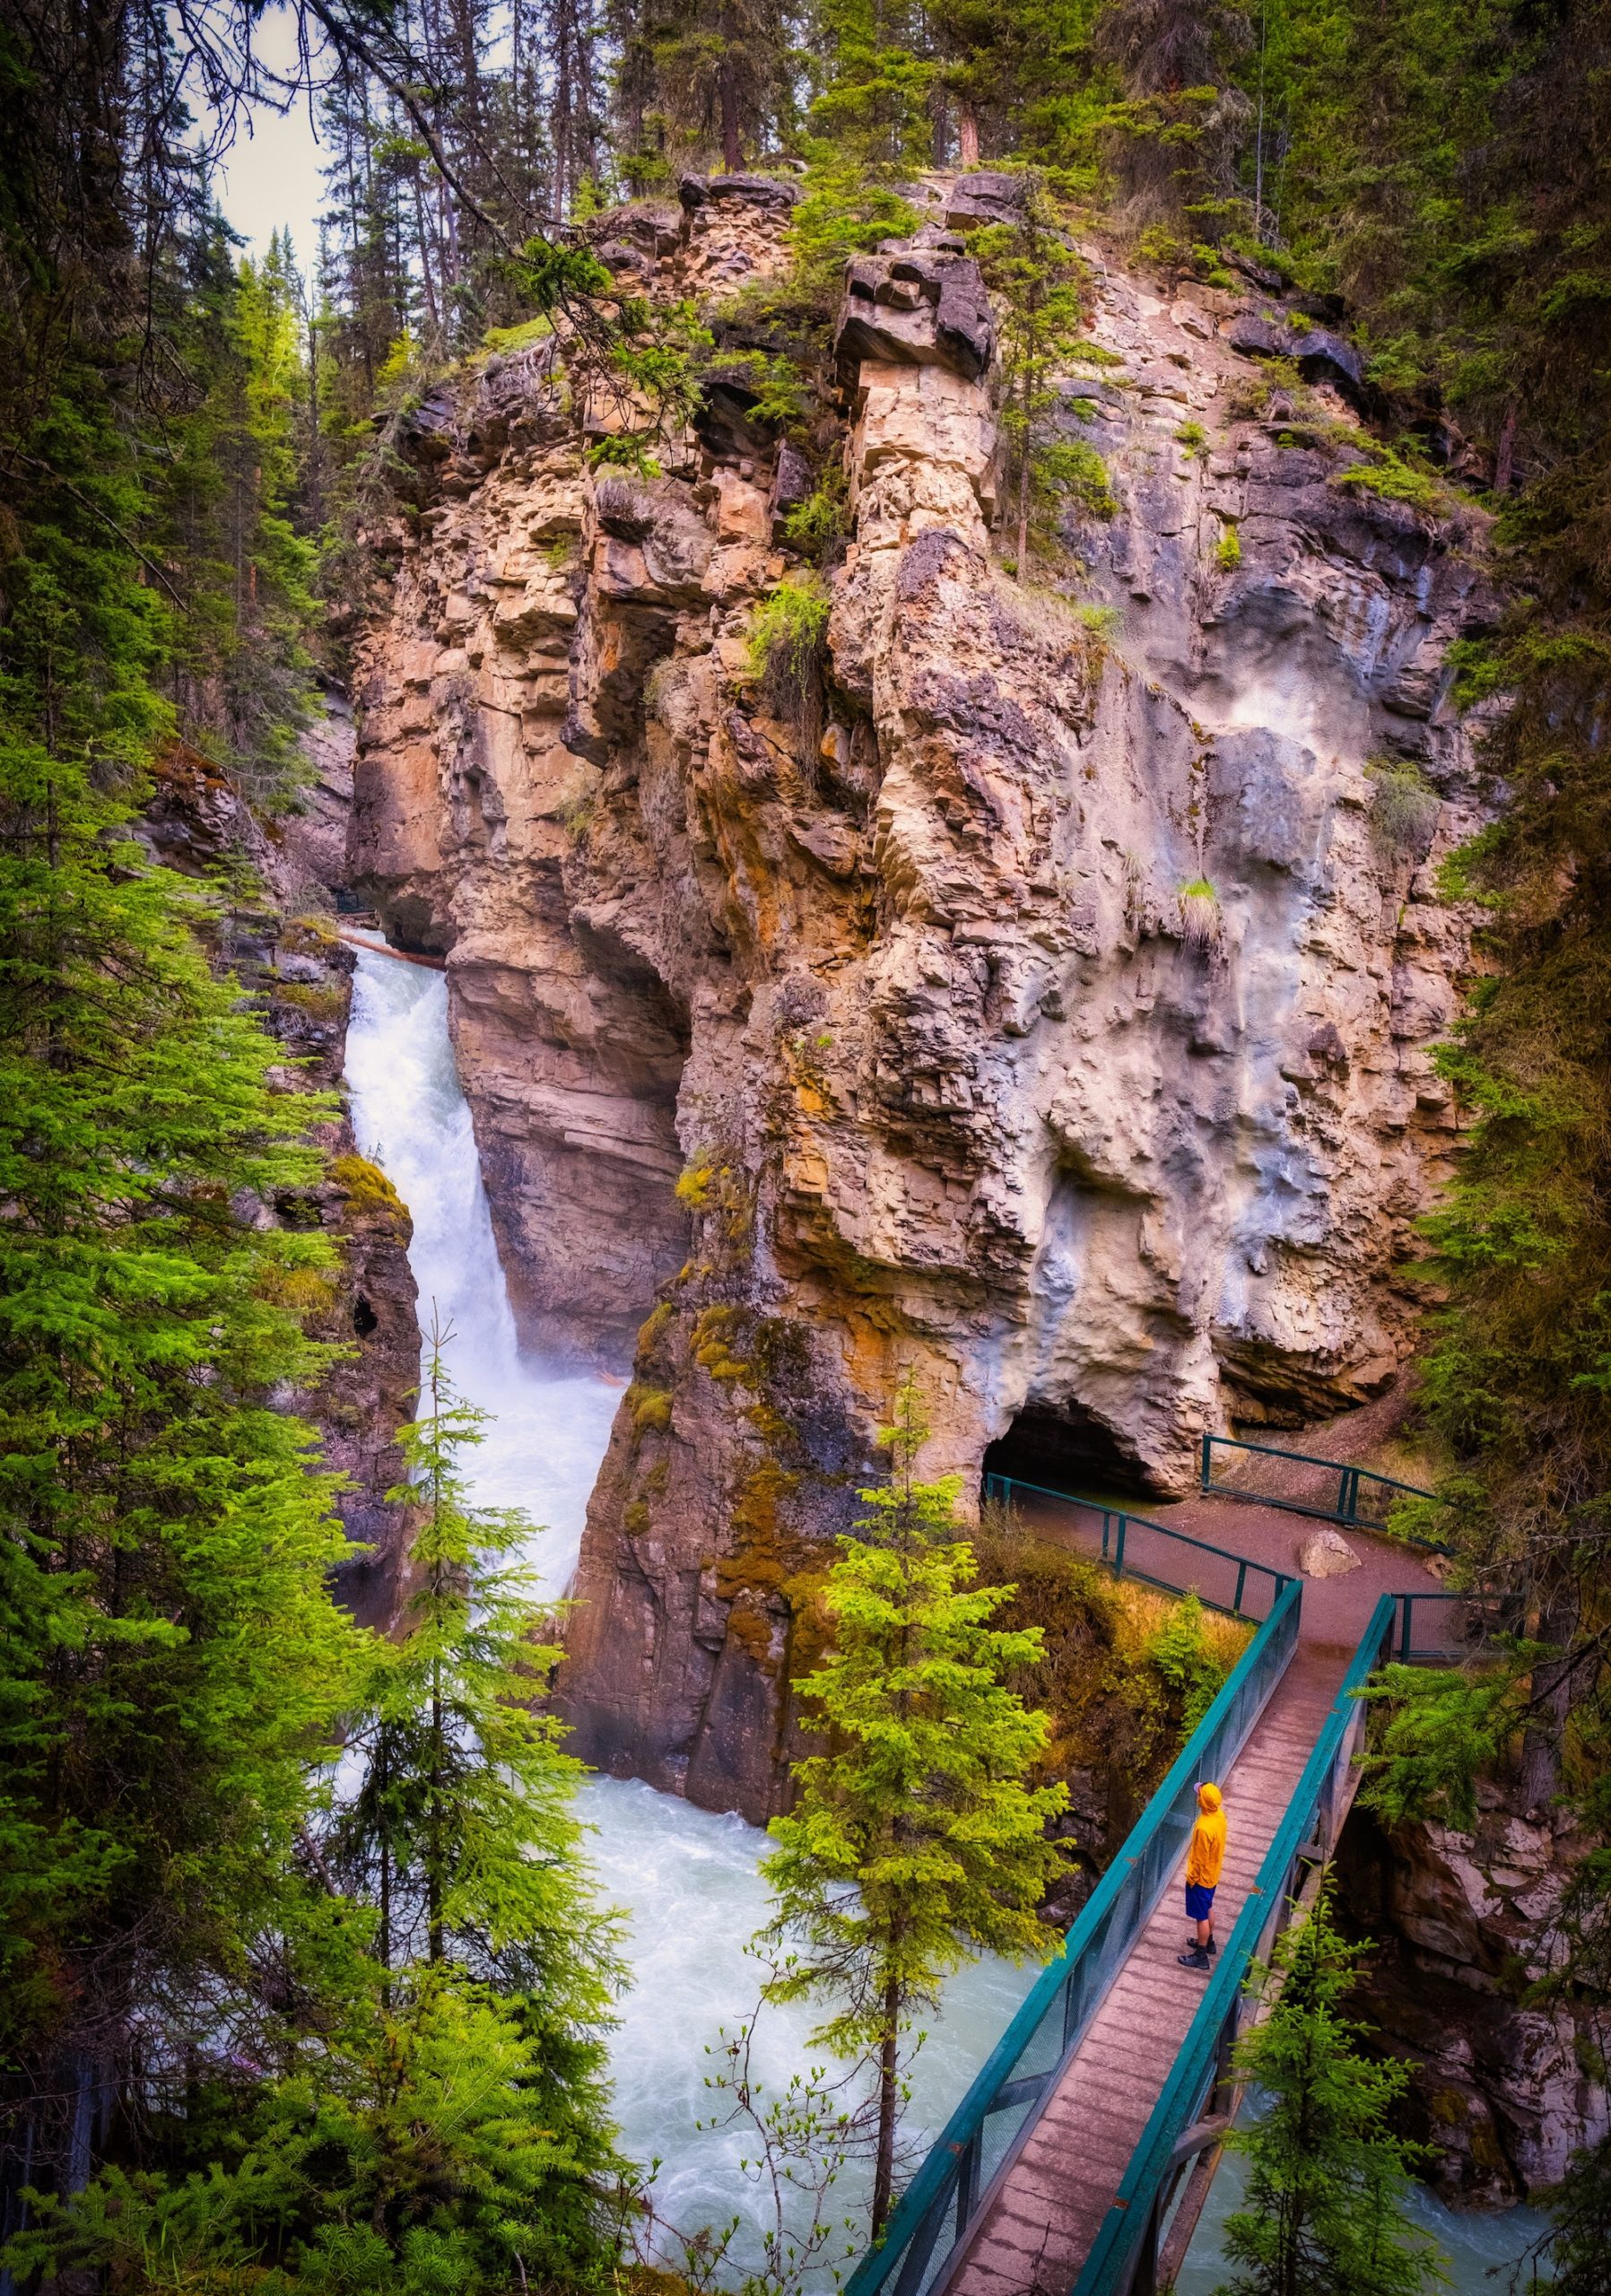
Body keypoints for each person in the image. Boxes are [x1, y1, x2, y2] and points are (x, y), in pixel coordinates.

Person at [1178, 1781, 1226, 1970]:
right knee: (1208, 1907)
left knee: (1201, 1916)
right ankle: (1209, 1941)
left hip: (1201, 1879)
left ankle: (1201, 1954)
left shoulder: (1203, 1828)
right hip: (1213, 1874)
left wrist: (1192, 1879)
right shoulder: (1219, 1817)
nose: (1197, 1796)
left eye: (1199, 1794)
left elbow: (1199, 1859)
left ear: (1202, 1801)